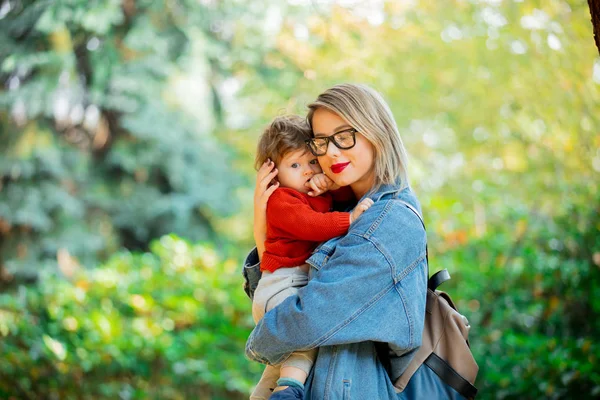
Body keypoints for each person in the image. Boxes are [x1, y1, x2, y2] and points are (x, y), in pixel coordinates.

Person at [244, 83, 461, 399]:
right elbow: (283, 288)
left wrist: (257, 342)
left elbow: (312, 315)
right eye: (320, 142)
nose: (330, 153)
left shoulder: (388, 221)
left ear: (376, 133)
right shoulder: (339, 207)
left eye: (345, 137)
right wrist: (262, 226)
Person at [249, 115, 374, 400]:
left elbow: (344, 191)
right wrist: (350, 219)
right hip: (282, 286)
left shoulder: (312, 193)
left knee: (277, 367)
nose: (306, 171)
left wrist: (328, 183)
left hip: (287, 284)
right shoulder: (282, 200)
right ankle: (287, 394)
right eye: (295, 165)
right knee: (305, 343)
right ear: (274, 174)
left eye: (312, 162)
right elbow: (312, 225)